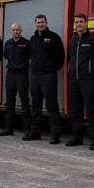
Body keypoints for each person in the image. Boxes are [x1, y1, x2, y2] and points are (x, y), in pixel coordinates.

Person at [65, 13, 94, 150]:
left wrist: (92, 71)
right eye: (76, 22)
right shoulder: (72, 42)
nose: (78, 24)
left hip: (88, 80)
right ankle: (76, 137)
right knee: (76, 111)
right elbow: (70, 59)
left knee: (91, 110)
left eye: (81, 22)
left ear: (86, 23)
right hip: (74, 81)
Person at [24, 14, 64, 144]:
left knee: (51, 105)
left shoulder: (54, 37)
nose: (40, 24)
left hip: (48, 76)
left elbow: (60, 58)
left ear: (46, 22)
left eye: (42, 22)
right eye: (38, 22)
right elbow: (30, 55)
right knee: (36, 105)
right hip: (35, 76)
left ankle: (55, 134)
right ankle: (35, 132)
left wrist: (51, 70)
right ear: (35, 23)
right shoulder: (33, 39)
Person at [0, 22, 31, 136]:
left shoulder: (26, 43)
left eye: (17, 29)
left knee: (24, 102)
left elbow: (30, 58)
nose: (16, 31)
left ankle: (27, 129)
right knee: (10, 102)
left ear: (21, 31)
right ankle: (9, 128)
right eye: (13, 30)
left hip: (22, 74)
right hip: (11, 74)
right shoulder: (7, 43)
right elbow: (6, 56)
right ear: (11, 31)